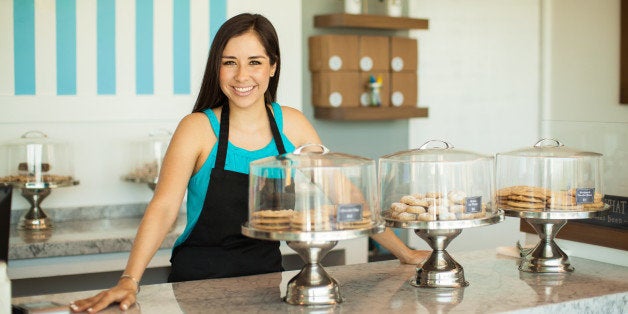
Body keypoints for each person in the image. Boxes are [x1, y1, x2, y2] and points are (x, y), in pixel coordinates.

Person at [70, 13, 428, 313]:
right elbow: (163, 207)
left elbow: (349, 201)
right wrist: (128, 281)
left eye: (254, 62)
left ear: (272, 67)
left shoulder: (292, 125)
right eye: (230, 62)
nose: (242, 76)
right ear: (218, 68)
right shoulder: (197, 128)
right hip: (198, 284)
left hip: (267, 281)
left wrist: (402, 251)